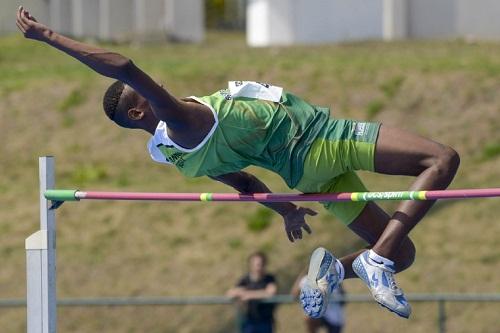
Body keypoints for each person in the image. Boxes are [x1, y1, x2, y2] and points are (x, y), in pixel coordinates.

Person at [16, 6, 460, 320]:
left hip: (304, 175)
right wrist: (48, 36)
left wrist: (285, 208)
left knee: (403, 251)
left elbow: (244, 181)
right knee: (440, 159)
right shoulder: (180, 123)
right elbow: (126, 68)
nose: (161, 87)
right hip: (321, 141)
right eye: (147, 95)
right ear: (138, 113)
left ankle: (335, 270)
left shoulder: (180, 155)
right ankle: (375, 262)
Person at [227, 252, 278, 333]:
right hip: (249, 321)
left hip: (265, 321)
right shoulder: (245, 280)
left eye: (260, 264)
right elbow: (231, 293)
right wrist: (242, 292)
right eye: (256, 264)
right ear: (251, 265)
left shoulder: (269, 279)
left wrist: (249, 295)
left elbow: (271, 292)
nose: (258, 267)